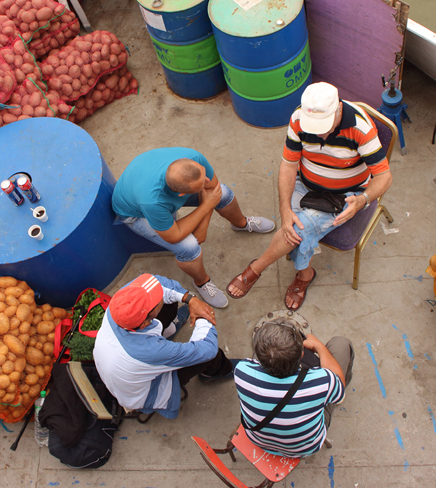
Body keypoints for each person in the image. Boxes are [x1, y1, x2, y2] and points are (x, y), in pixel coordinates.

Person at [227, 82, 392, 310]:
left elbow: (384, 177)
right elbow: (288, 165)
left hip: (344, 196)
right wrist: (284, 211)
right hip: (305, 184)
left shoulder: (360, 128)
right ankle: (305, 274)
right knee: (294, 232)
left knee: (296, 232)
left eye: (322, 125)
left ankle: (257, 269)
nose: (317, 132)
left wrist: (363, 200)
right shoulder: (298, 119)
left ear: (338, 110)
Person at [113, 147, 275, 309]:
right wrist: (206, 205)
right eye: (201, 184)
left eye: (204, 175)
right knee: (188, 247)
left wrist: (203, 223)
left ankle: (241, 223)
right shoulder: (153, 201)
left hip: (151, 190)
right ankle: (201, 282)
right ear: (182, 195)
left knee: (223, 193)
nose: (206, 180)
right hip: (136, 213)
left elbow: (213, 188)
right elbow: (174, 235)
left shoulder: (193, 159)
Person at [93, 273, 238, 419]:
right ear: (144, 324)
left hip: (123, 370)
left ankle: (167, 332)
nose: (158, 296)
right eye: (154, 303)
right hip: (147, 392)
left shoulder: (119, 306)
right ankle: (216, 372)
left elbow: (157, 282)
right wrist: (202, 315)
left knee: (169, 300)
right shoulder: (150, 351)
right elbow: (206, 349)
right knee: (209, 357)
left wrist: (190, 299)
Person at [233, 318, 354, 458]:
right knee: (341, 343)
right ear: (302, 354)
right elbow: (339, 387)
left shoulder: (241, 370)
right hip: (304, 448)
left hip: (258, 440)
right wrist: (319, 346)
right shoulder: (322, 382)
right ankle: (340, 385)